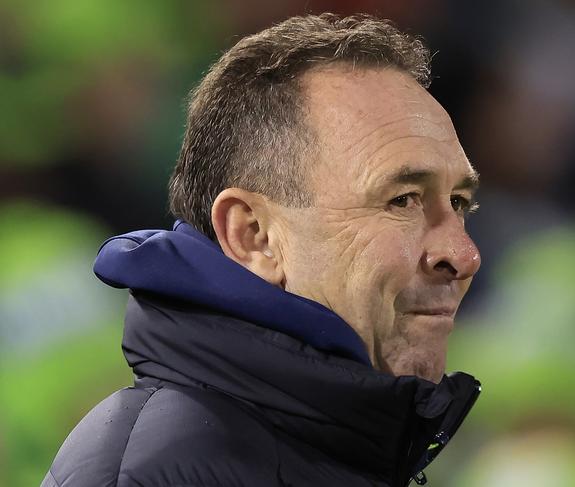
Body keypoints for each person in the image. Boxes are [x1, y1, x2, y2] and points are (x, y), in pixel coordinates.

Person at [42, 13, 482, 487]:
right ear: (253, 235)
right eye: (402, 200)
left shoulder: (349, 444)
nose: (463, 253)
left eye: (458, 203)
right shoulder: (152, 477)